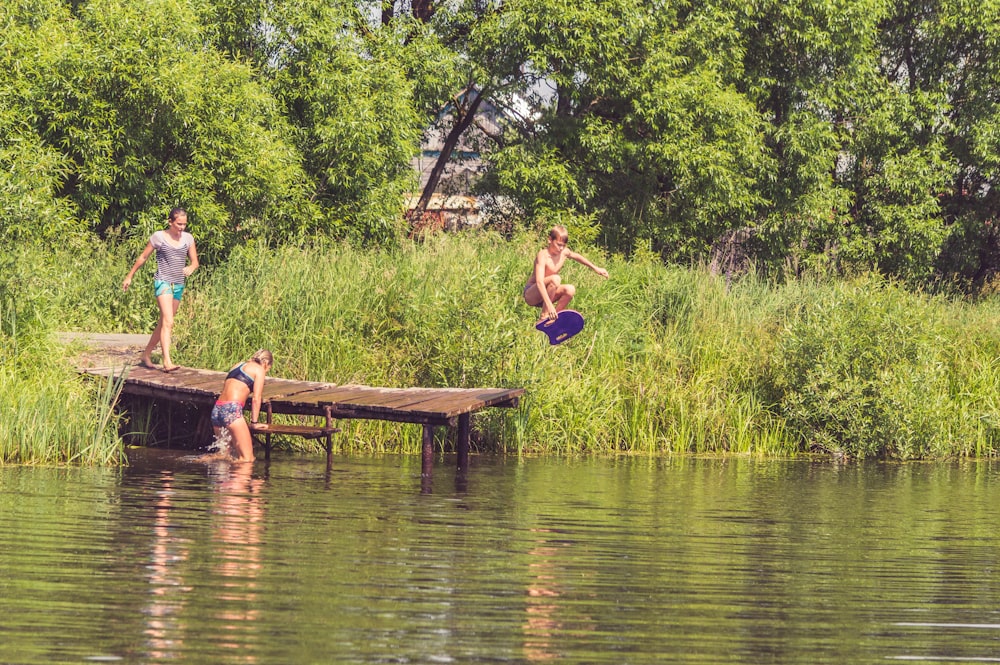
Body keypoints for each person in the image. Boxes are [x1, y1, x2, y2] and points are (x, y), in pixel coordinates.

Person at [122, 208, 199, 372]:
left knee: (164, 322)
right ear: (170, 222)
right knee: (169, 322)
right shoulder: (159, 237)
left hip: (178, 284)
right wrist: (129, 276)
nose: (182, 228)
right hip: (163, 282)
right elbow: (143, 257)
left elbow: (195, 262)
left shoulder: (188, 238)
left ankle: (146, 354)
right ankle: (167, 361)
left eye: (184, 224)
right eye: (179, 224)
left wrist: (191, 268)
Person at [523, 225, 608, 321]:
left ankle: (553, 319)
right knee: (555, 278)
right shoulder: (543, 256)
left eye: (563, 245)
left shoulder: (564, 252)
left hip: (548, 294)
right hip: (532, 294)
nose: (561, 248)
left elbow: (577, 256)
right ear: (550, 240)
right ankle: (544, 316)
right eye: (559, 244)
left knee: (570, 289)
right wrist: (549, 306)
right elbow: (539, 282)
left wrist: (596, 268)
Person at [211, 349, 274, 463]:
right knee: (247, 459)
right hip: (231, 410)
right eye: (268, 369)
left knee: (223, 455)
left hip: (217, 409)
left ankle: (195, 464)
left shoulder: (238, 365)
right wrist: (254, 423)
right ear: (266, 363)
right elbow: (256, 398)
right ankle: (241, 480)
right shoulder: (259, 369)